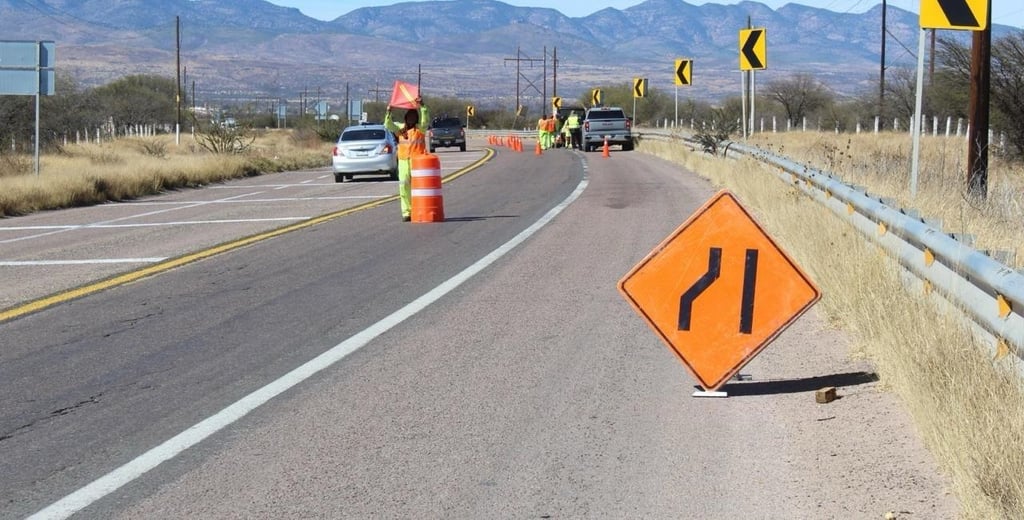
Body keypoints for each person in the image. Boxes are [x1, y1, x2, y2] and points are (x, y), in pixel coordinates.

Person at [384, 97, 429, 222]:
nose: (411, 119)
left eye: (414, 117)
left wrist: (423, 107)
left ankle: (419, 209)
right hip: (403, 161)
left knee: (418, 188)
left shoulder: (420, 129)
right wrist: (389, 111)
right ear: (406, 118)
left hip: (417, 162)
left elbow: (426, 121)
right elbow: (388, 125)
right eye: (409, 117)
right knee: (404, 187)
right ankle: (406, 212)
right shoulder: (400, 129)